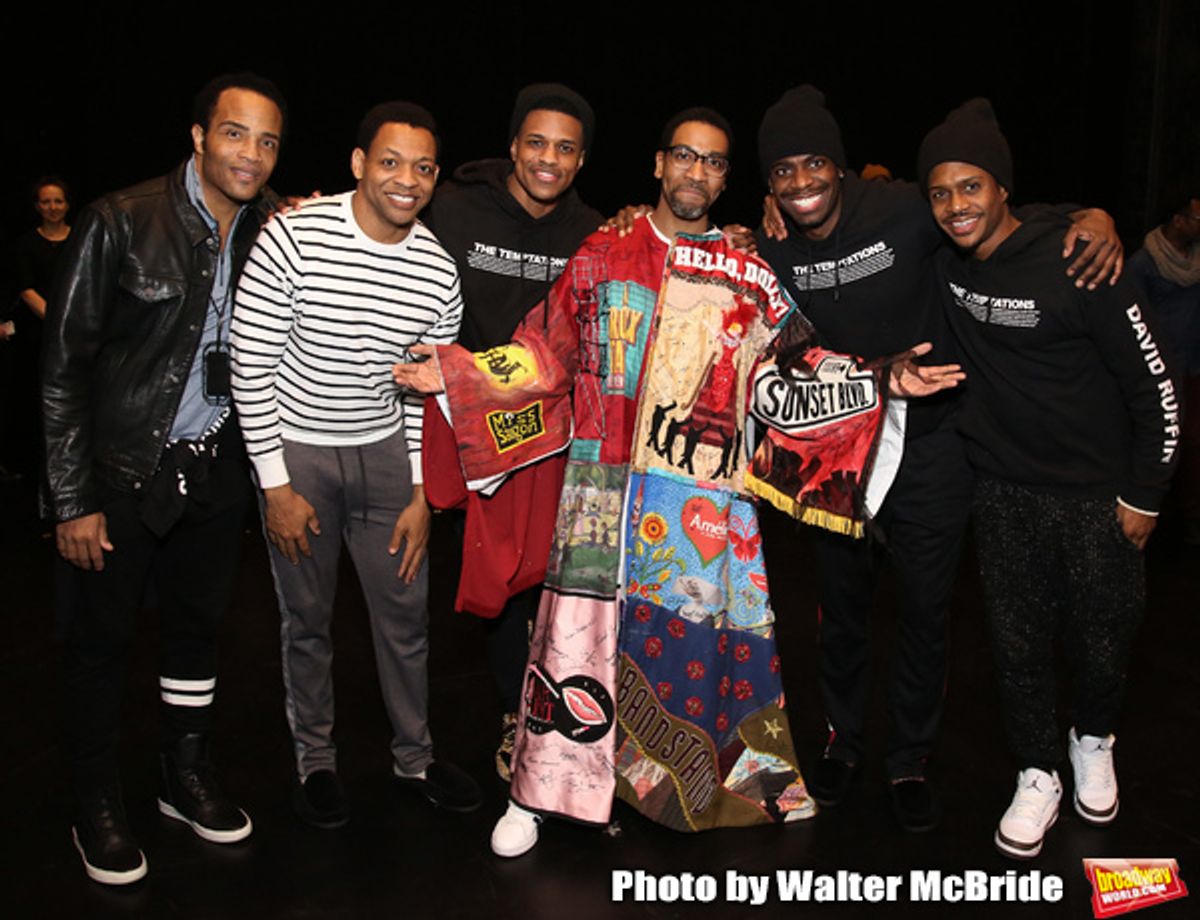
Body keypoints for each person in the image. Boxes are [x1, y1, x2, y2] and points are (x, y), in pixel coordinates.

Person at [395, 107, 964, 858]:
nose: (697, 173)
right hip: (601, 495)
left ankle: (675, 790)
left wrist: (883, 376)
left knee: (687, 653)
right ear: (658, 165)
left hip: (702, 504)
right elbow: (546, 351)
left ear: (725, 178)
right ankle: (540, 790)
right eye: (685, 158)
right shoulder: (602, 251)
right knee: (571, 648)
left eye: (714, 163)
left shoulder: (749, 272)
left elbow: (794, 366)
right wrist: (460, 374)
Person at [753, 85, 1122, 832]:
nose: (802, 185)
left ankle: (909, 758)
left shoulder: (900, 211)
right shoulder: (771, 240)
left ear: (842, 166)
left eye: (815, 164)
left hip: (933, 448)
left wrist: (1089, 217)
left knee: (924, 613)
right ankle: (845, 742)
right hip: (837, 457)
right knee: (843, 613)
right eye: (783, 172)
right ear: (769, 183)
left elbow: (986, 214)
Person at [42, 73, 287, 885]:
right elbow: (64, 366)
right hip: (122, 471)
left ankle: (184, 777)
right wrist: (72, 499)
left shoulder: (274, 227)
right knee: (100, 644)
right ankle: (96, 802)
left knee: (195, 632)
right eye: (234, 134)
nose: (250, 154)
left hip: (214, 469)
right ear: (198, 137)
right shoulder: (121, 217)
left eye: (266, 140)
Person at [917, 98, 1178, 858]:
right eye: (941, 192)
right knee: (1017, 646)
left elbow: (1155, 386)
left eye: (971, 187)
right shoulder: (944, 267)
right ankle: (1037, 771)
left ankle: (1092, 739)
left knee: (1104, 642)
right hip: (1000, 492)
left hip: (1099, 498)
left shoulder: (1080, 259)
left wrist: (1146, 493)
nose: (956, 206)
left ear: (1002, 190)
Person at [230, 101, 479, 831]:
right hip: (298, 453)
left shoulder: (436, 271)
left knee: (405, 618)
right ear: (359, 164)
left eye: (424, 167)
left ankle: (415, 757)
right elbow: (250, 365)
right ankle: (315, 762)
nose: (408, 179)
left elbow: (417, 390)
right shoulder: (294, 237)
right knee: (306, 619)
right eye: (392, 161)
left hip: (382, 461)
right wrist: (275, 487)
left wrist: (415, 492)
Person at [423, 83, 602, 781]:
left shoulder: (591, 231)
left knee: (534, 585)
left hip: (548, 437)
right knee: (473, 586)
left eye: (564, 147)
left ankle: (521, 717)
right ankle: (458, 728)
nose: (547, 159)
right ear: (512, 147)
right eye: (536, 143)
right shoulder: (455, 208)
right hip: (458, 431)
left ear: (581, 159)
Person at [1128, 195, 1200, 542]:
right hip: (1158, 368)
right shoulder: (1144, 263)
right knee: (1163, 437)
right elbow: (1131, 320)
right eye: (1197, 217)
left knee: (1193, 443)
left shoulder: (1198, 260)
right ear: (1178, 219)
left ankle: (1189, 516)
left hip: (1193, 364)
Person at [4, 177, 71, 482]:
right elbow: (25, 288)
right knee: (33, 400)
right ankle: (32, 466)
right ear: (37, 207)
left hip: (74, 334)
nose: (52, 207)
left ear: (67, 204)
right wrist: (57, 320)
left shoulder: (80, 239)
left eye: (58, 201)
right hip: (39, 334)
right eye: (46, 202)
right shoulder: (26, 244)